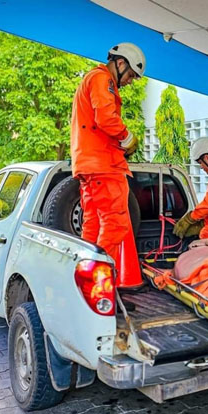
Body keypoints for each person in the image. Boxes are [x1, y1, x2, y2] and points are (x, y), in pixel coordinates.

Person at [69, 43, 145, 287]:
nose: (130, 81)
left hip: (89, 167)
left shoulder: (91, 80)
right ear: (120, 63)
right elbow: (106, 117)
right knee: (115, 224)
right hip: (104, 165)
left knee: (92, 225)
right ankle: (99, 288)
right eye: (131, 75)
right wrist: (127, 137)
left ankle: (83, 285)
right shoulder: (102, 79)